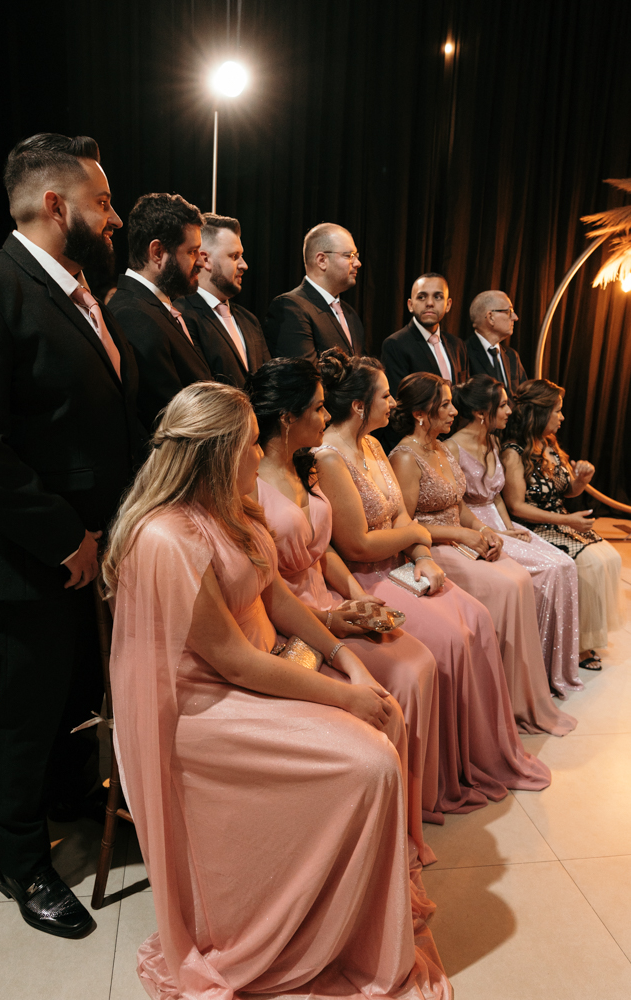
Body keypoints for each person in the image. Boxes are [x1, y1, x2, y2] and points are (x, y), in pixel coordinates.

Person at [103, 382, 451, 1000]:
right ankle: (314, 929)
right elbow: (233, 662)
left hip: (263, 666)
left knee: (387, 715)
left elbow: (277, 598)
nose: (260, 451)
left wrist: (347, 660)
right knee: (369, 762)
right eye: (248, 443)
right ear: (216, 454)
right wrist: (343, 696)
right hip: (204, 706)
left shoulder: (233, 505)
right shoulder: (166, 537)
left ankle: (355, 921)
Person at [0, 133, 142, 937]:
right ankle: (22, 862)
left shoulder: (80, 292)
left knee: (77, 694)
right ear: (55, 204)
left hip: (93, 550)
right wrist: (65, 539)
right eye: (102, 203)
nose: (115, 219)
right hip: (26, 558)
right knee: (29, 713)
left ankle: (72, 799)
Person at [314, 348, 551, 818]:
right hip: (366, 575)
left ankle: (476, 756)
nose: (392, 404)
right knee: (448, 640)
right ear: (359, 406)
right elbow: (358, 544)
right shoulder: (329, 457)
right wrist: (420, 538)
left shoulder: (373, 445)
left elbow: (402, 516)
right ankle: (439, 776)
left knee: (476, 618)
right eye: (385, 396)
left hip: (402, 561)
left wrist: (422, 556)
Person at [247, 357, 441, 864]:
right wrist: (330, 621)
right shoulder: (248, 483)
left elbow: (323, 549)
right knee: (398, 681)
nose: (325, 415)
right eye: (316, 407)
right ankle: (368, 838)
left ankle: (405, 815)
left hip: (331, 602)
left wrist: (356, 594)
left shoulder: (304, 464)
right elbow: (265, 587)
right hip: (288, 621)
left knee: (418, 663)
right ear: (286, 417)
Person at [388, 373, 577, 735]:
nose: (453, 411)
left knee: (519, 578)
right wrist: (462, 534)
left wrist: (484, 530)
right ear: (420, 414)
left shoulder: (443, 449)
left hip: (461, 538)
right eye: (445, 405)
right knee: (505, 587)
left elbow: (460, 505)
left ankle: (520, 696)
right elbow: (406, 524)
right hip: (429, 546)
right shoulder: (405, 457)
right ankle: (496, 703)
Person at [447, 375, 582, 695]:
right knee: (549, 569)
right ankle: (530, 671)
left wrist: (510, 529)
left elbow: (496, 496)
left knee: (565, 563)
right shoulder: (450, 448)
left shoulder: (494, 442)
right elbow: (456, 504)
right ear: (482, 412)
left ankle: (552, 667)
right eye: (503, 405)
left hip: (501, 522)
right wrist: (496, 533)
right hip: (473, 526)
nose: (510, 411)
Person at [501, 379, 622, 664]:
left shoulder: (549, 444)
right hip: (533, 527)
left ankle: (587, 635)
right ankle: (575, 646)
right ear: (540, 412)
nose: (562, 417)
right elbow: (516, 506)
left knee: (610, 558)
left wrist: (581, 480)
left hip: (559, 522)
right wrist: (566, 520)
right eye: (557, 411)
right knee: (590, 563)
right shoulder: (513, 452)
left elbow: (567, 490)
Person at [108, 193, 210, 429]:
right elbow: (170, 419)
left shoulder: (154, 308)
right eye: (192, 251)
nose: (201, 262)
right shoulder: (133, 315)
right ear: (157, 252)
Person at [174, 214, 269, 387]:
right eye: (234, 256)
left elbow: (268, 381)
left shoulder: (250, 320)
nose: (244, 265)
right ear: (205, 260)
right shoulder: (182, 316)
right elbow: (199, 388)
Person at [264, 222, 365, 361]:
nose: (357, 263)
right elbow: (303, 372)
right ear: (322, 260)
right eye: (349, 255)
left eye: (356, 255)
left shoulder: (350, 314)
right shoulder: (291, 308)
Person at [381, 273, 469, 399]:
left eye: (438, 297)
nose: (430, 303)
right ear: (410, 305)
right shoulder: (395, 344)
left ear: (448, 305)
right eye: (421, 297)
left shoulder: (458, 345)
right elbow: (398, 401)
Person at [465, 290, 527, 394]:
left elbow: (524, 396)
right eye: (509, 311)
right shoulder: (463, 353)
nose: (515, 317)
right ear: (490, 317)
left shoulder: (512, 356)